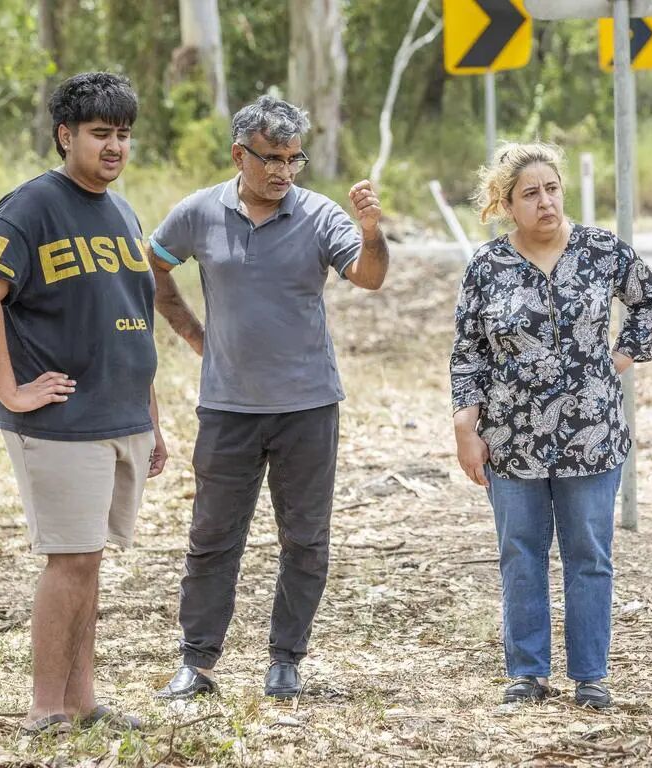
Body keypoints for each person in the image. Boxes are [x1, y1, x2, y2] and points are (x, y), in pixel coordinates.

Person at [150, 96, 389, 701]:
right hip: (228, 408)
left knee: (305, 540)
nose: (284, 171)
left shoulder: (317, 214)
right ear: (240, 155)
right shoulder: (199, 212)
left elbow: (368, 275)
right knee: (212, 537)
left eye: (293, 159)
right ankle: (197, 661)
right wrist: (191, 331)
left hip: (307, 407)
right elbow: (152, 266)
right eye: (271, 158)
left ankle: (286, 659)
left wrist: (370, 231)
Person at [0, 72, 167, 735]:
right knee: (70, 559)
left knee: (88, 560)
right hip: (61, 419)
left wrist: (152, 418)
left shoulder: (122, 212)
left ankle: (84, 700)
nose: (114, 147)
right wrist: (10, 389)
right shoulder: (33, 206)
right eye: (101, 134)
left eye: (124, 135)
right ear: (65, 135)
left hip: (120, 412)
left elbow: (135, 315)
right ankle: (46, 707)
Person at [450, 142, 652, 708]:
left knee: (588, 554)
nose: (545, 202)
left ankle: (591, 676)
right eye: (530, 194)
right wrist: (464, 427)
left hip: (591, 437)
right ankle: (526, 671)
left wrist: (623, 356)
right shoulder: (487, 265)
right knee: (520, 552)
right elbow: (468, 351)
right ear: (506, 203)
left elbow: (651, 298)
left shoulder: (600, 251)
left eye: (551, 189)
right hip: (512, 440)